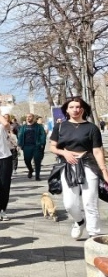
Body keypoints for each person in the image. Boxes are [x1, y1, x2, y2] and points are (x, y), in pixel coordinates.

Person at [49, 97, 107, 240]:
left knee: (90, 201)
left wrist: (104, 171)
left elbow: (98, 151)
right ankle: (79, 221)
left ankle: (94, 234)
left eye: (78, 107)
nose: (75, 110)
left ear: (83, 109)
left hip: (88, 164)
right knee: (69, 203)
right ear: (66, 110)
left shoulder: (92, 128)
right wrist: (64, 152)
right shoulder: (60, 127)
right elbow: (52, 147)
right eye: (72, 107)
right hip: (68, 165)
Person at [18, 113, 46, 180]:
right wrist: (19, 144)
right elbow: (20, 135)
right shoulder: (23, 127)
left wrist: (41, 143)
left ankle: (37, 176)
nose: (28, 118)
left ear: (33, 118)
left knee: (37, 161)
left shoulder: (38, 126)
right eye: (27, 117)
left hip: (36, 146)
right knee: (27, 160)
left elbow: (43, 135)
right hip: (26, 146)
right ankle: (30, 169)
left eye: (30, 117)